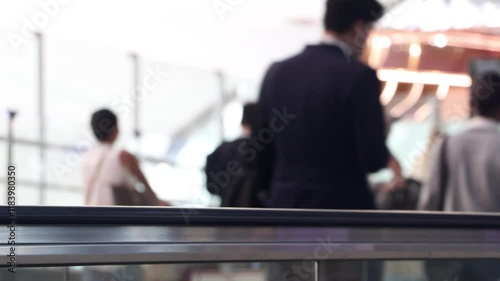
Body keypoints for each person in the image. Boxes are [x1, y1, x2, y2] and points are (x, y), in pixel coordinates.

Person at [255, 0, 397, 210]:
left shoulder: (277, 72)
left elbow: (259, 152)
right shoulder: (360, 77)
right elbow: (372, 159)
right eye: (369, 29)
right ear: (359, 27)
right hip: (341, 212)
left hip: (284, 210)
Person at [418, 71, 500, 281]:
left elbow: (429, 203)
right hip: (494, 257)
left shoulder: (446, 145)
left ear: (472, 105)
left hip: (453, 254)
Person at [81, 109, 168, 206]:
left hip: (93, 214)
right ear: (115, 129)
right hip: (117, 214)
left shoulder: (86, 158)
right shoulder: (122, 156)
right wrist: (159, 203)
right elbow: (146, 187)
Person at [205, 103, 262, 207]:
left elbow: (211, 186)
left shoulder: (223, 149)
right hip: (255, 212)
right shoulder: (260, 149)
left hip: (227, 210)